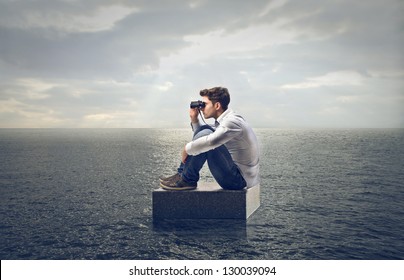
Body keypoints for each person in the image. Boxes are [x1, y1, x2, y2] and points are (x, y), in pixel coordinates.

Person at [159, 86, 260, 191]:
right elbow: (202, 136)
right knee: (204, 129)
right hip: (236, 175)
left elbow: (211, 142)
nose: (201, 108)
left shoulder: (232, 122)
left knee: (206, 135)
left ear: (217, 105)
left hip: (239, 181)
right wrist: (194, 119)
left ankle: (187, 179)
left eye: (205, 104)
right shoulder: (227, 120)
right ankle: (182, 174)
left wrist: (186, 149)